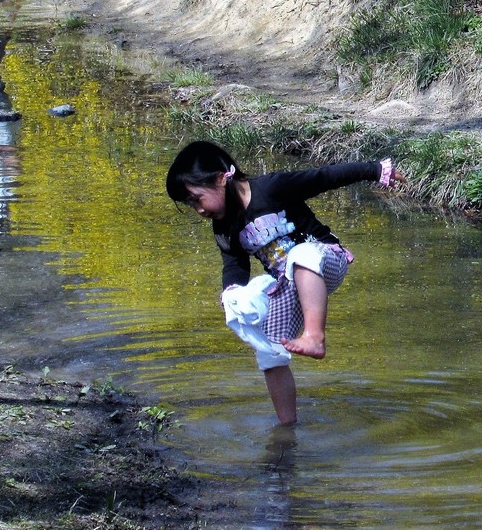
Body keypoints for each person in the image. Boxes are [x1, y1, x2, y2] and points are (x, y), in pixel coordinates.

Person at [166, 140, 405, 425]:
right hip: (288, 286)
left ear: (220, 179)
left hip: (325, 260)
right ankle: (287, 428)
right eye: (190, 204)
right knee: (268, 350)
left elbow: (325, 177)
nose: (198, 210)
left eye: (196, 198)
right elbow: (234, 264)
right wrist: (231, 292)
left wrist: (376, 170)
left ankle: (315, 336)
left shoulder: (271, 188)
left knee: (301, 255)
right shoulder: (224, 225)